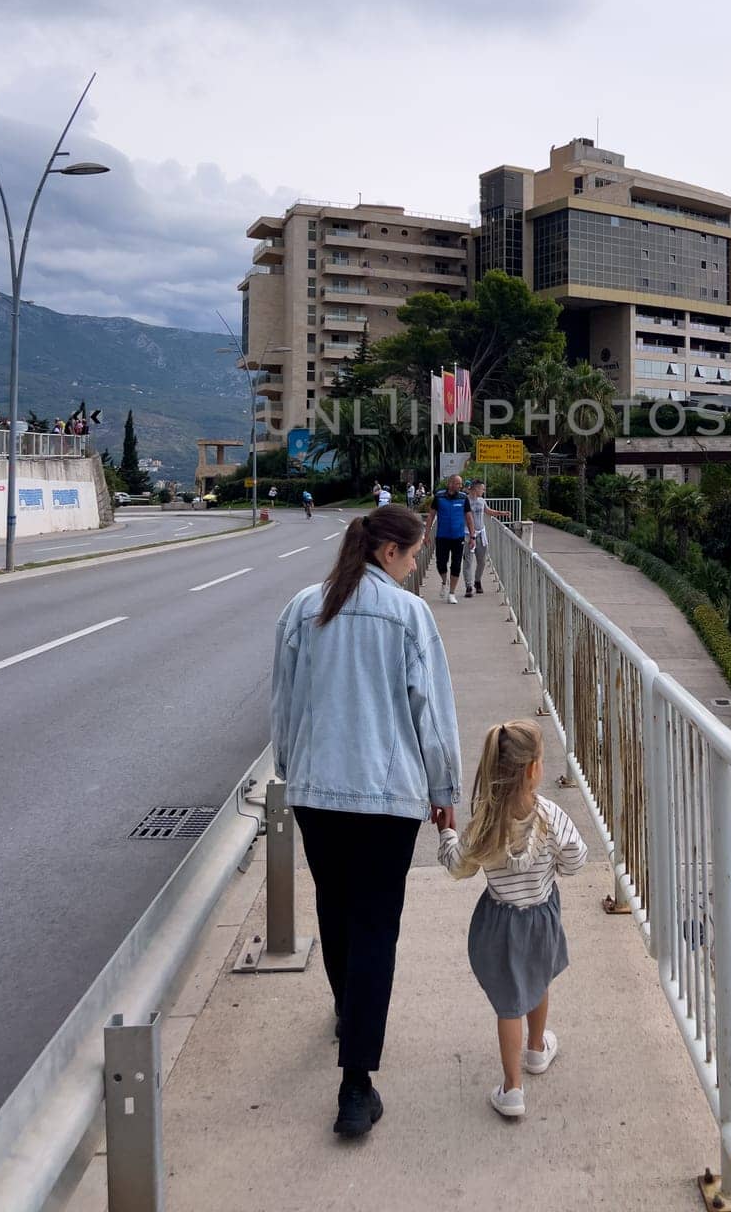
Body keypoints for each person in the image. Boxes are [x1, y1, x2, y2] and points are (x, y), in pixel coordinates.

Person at [271, 506, 461, 1140]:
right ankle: (356, 1084)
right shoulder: (410, 617)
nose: (416, 568)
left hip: (316, 792)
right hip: (387, 800)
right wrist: (444, 792)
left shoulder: (303, 608)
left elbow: (284, 701)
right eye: (412, 557)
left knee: (334, 908)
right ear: (387, 552)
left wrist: (290, 770)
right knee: (377, 926)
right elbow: (431, 714)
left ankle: (346, 1013)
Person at [438, 718, 587, 1119]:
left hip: (499, 925)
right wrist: (553, 864)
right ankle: (536, 1049)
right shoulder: (551, 817)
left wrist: (446, 835)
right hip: (540, 918)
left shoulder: (486, 821)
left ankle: (512, 1089)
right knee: (536, 979)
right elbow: (576, 858)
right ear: (534, 769)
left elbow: (459, 866)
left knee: (509, 1003)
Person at [429, 472, 475, 604]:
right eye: (457, 483)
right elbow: (431, 516)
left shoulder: (463, 498)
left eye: (461, 484)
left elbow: (469, 517)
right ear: (450, 483)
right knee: (441, 563)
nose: (460, 486)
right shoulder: (439, 497)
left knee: (456, 564)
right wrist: (426, 535)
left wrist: (472, 536)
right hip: (442, 536)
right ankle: (444, 581)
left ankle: (452, 593)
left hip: (458, 536)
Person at [462, 477, 504, 598]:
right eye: (482, 489)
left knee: (481, 561)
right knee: (468, 561)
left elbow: (488, 511)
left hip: (481, 534)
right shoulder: (465, 501)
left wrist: (501, 513)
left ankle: (477, 581)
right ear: (475, 488)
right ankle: (468, 586)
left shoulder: (481, 500)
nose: (483, 491)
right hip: (468, 534)